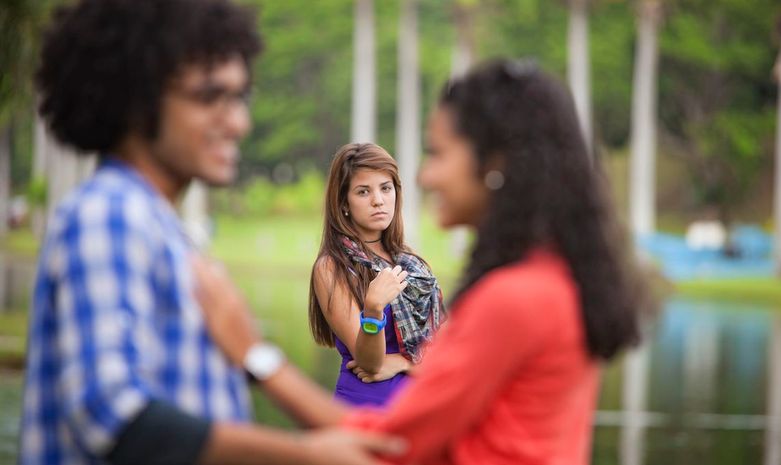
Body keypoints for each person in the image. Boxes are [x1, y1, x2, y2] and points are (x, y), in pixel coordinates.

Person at [197, 59, 646, 465]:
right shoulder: (557, 277)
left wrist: (255, 356)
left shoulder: (514, 298)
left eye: (438, 154)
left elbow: (391, 443)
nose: (423, 176)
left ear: (495, 164)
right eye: (364, 190)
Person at [18, 1, 403, 464]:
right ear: (137, 99)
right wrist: (302, 454)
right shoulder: (109, 214)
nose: (238, 122)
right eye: (209, 97)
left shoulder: (165, 232)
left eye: (239, 98)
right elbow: (114, 416)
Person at [308, 143, 445, 406]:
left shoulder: (413, 265)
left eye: (385, 188)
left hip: (421, 406)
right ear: (343, 203)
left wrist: (403, 362)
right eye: (363, 191)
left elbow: (450, 352)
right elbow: (370, 364)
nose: (378, 200)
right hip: (367, 407)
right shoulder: (332, 267)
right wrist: (373, 308)